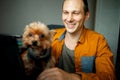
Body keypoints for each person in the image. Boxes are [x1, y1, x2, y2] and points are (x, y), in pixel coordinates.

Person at [37, 0, 116, 80]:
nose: (69, 19)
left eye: (75, 13)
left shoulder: (99, 41)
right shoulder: (51, 35)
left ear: (86, 15)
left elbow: (108, 77)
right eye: (66, 12)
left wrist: (70, 77)